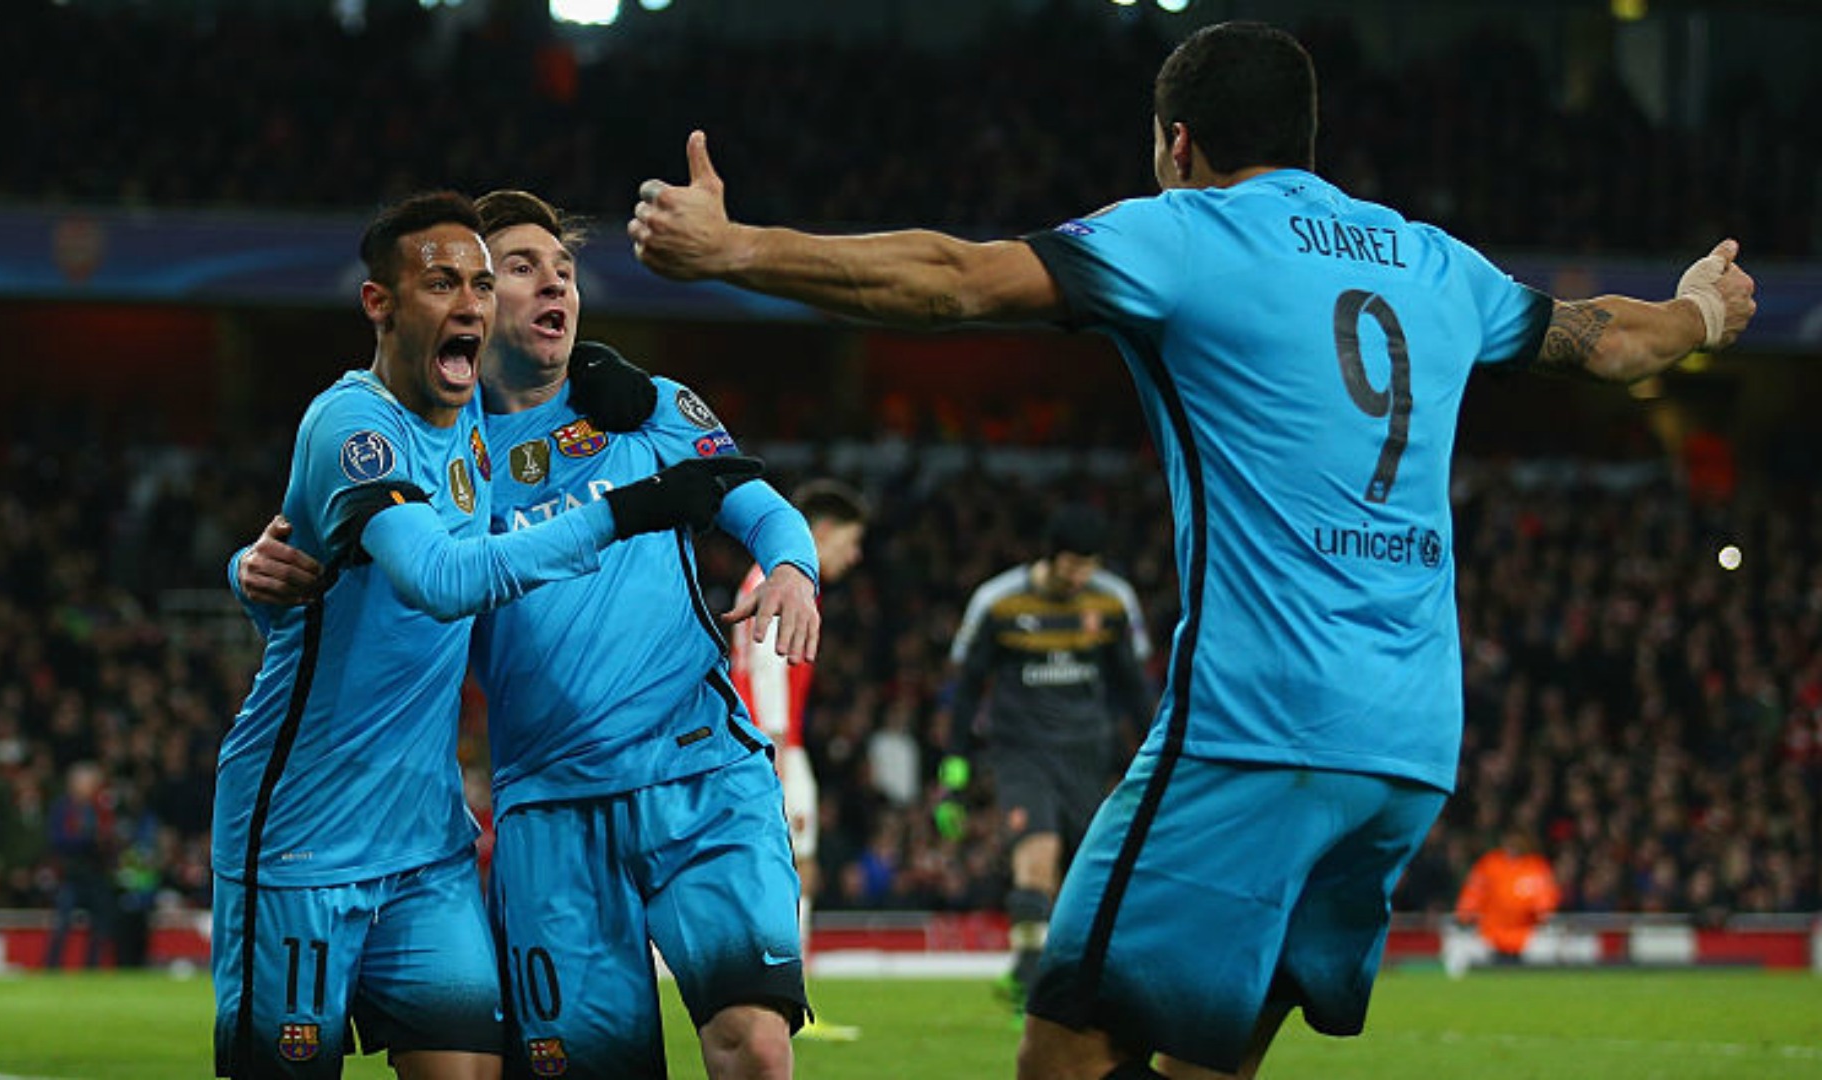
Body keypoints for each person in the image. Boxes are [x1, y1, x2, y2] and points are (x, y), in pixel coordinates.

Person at [626, 21, 1757, 1080]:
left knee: (1065, 1049)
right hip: (1410, 747)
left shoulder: (1190, 231)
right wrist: (1701, 311)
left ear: (1178, 143)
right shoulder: (1432, 261)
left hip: (1259, 728)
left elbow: (956, 280)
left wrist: (736, 249)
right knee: (1205, 1058)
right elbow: (1610, 340)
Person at [238, 188, 816, 1080]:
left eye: (564, 269)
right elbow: (355, 557)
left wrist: (792, 568)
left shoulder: (645, 407)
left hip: (698, 771)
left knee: (754, 1045)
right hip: (549, 807)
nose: (553, 283)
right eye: (518, 268)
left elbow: (760, 504)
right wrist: (249, 571)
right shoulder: (436, 441)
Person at [941, 506, 1151, 1022]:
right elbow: (966, 691)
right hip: (1021, 752)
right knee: (1037, 855)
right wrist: (954, 768)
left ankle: (1054, 972)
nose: (1080, 577)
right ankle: (1031, 980)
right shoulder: (998, 602)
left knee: (1084, 871)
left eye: (1089, 566)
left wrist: (1154, 750)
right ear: (1051, 556)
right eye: (1072, 565)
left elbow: (1133, 686)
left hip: (1087, 754)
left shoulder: (1113, 600)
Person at [728, 477, 871, 1042]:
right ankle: (784, 1001)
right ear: (824, 530)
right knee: (789, 870)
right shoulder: (781, 582)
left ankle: (784, 997)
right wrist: (778, 754)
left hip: (769, 742)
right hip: (772, 744)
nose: (853, 556)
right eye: (850, 542)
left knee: (789, 870)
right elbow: (768, 669)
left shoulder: (763, 577)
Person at [1447, 828, 1561, 975]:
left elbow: (1547, 904)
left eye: (1518, 839)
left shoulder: (1536, 866)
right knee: (1457, 945)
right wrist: (1465, 915)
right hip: (1489, 934)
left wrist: (1543, 912)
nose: (1513, 843)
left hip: (1524, 935)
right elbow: (1471, 895)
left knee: (1548, 947)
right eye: (1510, 839)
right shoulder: (1490, 863)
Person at [43, 761, 118, 971]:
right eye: (87, 783)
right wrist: (88, 840)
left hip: (96, 874)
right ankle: (51, 967)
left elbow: (109, 839)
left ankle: (92, 968)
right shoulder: (62, 809)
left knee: (101, 925)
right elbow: (57, 840)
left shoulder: (100, 808)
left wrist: (104, 843)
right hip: (70, 875)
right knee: (62, 924)